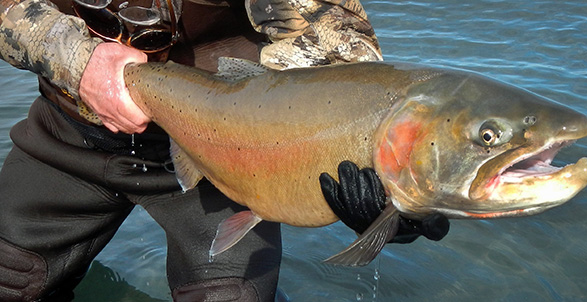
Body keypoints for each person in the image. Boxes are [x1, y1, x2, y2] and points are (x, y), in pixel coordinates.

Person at [0, 0, 449, 301]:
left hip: (228, 156)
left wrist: (384, 163)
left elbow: (330, 33)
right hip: (67, 137)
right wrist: (79, 62)